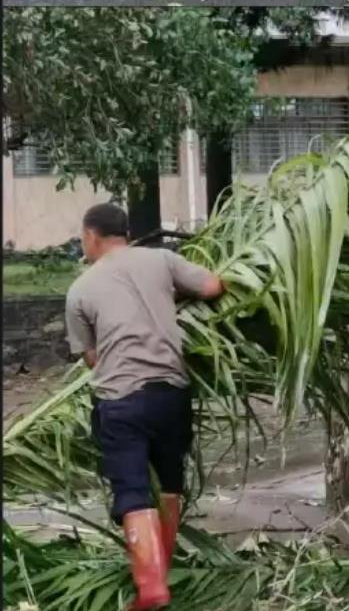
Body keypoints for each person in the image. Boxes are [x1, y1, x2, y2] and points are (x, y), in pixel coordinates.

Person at [65, 203, 224, 610]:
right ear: (127, 233)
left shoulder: (81, 289)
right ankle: (161, 570)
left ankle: (151, 587)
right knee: (169, 483)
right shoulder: (161, 260)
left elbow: (92, 359)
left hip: (121, 402)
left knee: (132, 489)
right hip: (172, 394)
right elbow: (212, 286)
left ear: (91, 237)